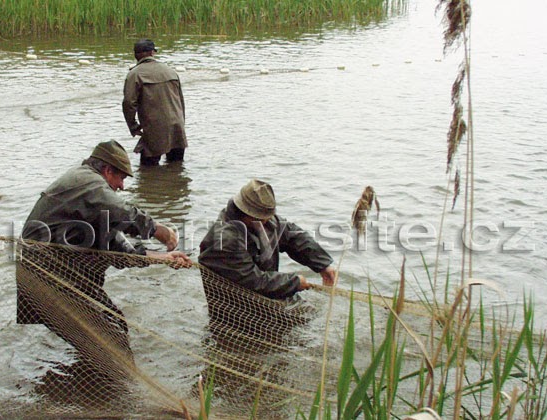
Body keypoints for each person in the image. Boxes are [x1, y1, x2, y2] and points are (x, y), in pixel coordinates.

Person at [18, 140, 190, 376]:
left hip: (66, 276)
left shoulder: (91, 201)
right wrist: (159, 230)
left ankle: (90, 385)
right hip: (46, 279)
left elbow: (119, 249)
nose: (121, 187)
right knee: (112, 343)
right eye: (120, 179)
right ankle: (117, 392)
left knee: (115, 323)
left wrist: (164, 257)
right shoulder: (87, 182)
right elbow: (122, 212)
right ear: (107, 171)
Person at [198, 179, 336, 336]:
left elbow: (293, 236)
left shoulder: (264, 221)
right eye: (261, 217)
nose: (267, 221)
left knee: (311, 322)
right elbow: (254, 280)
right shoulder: (224, 240)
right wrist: (294, 282)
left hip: (266, 299)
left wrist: (323, 265)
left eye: (268, 216)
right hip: (237, 312)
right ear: (245, 212)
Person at [122, 39, 188, 166]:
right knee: (176, 167)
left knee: (148, 170)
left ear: (136, 55)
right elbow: (181, 101)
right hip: (177, 126)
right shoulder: (170, 71)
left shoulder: (134, 74)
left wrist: (133, 127)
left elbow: (129, 104)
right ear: (152, 53)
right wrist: (181, 123)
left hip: (154, 129)